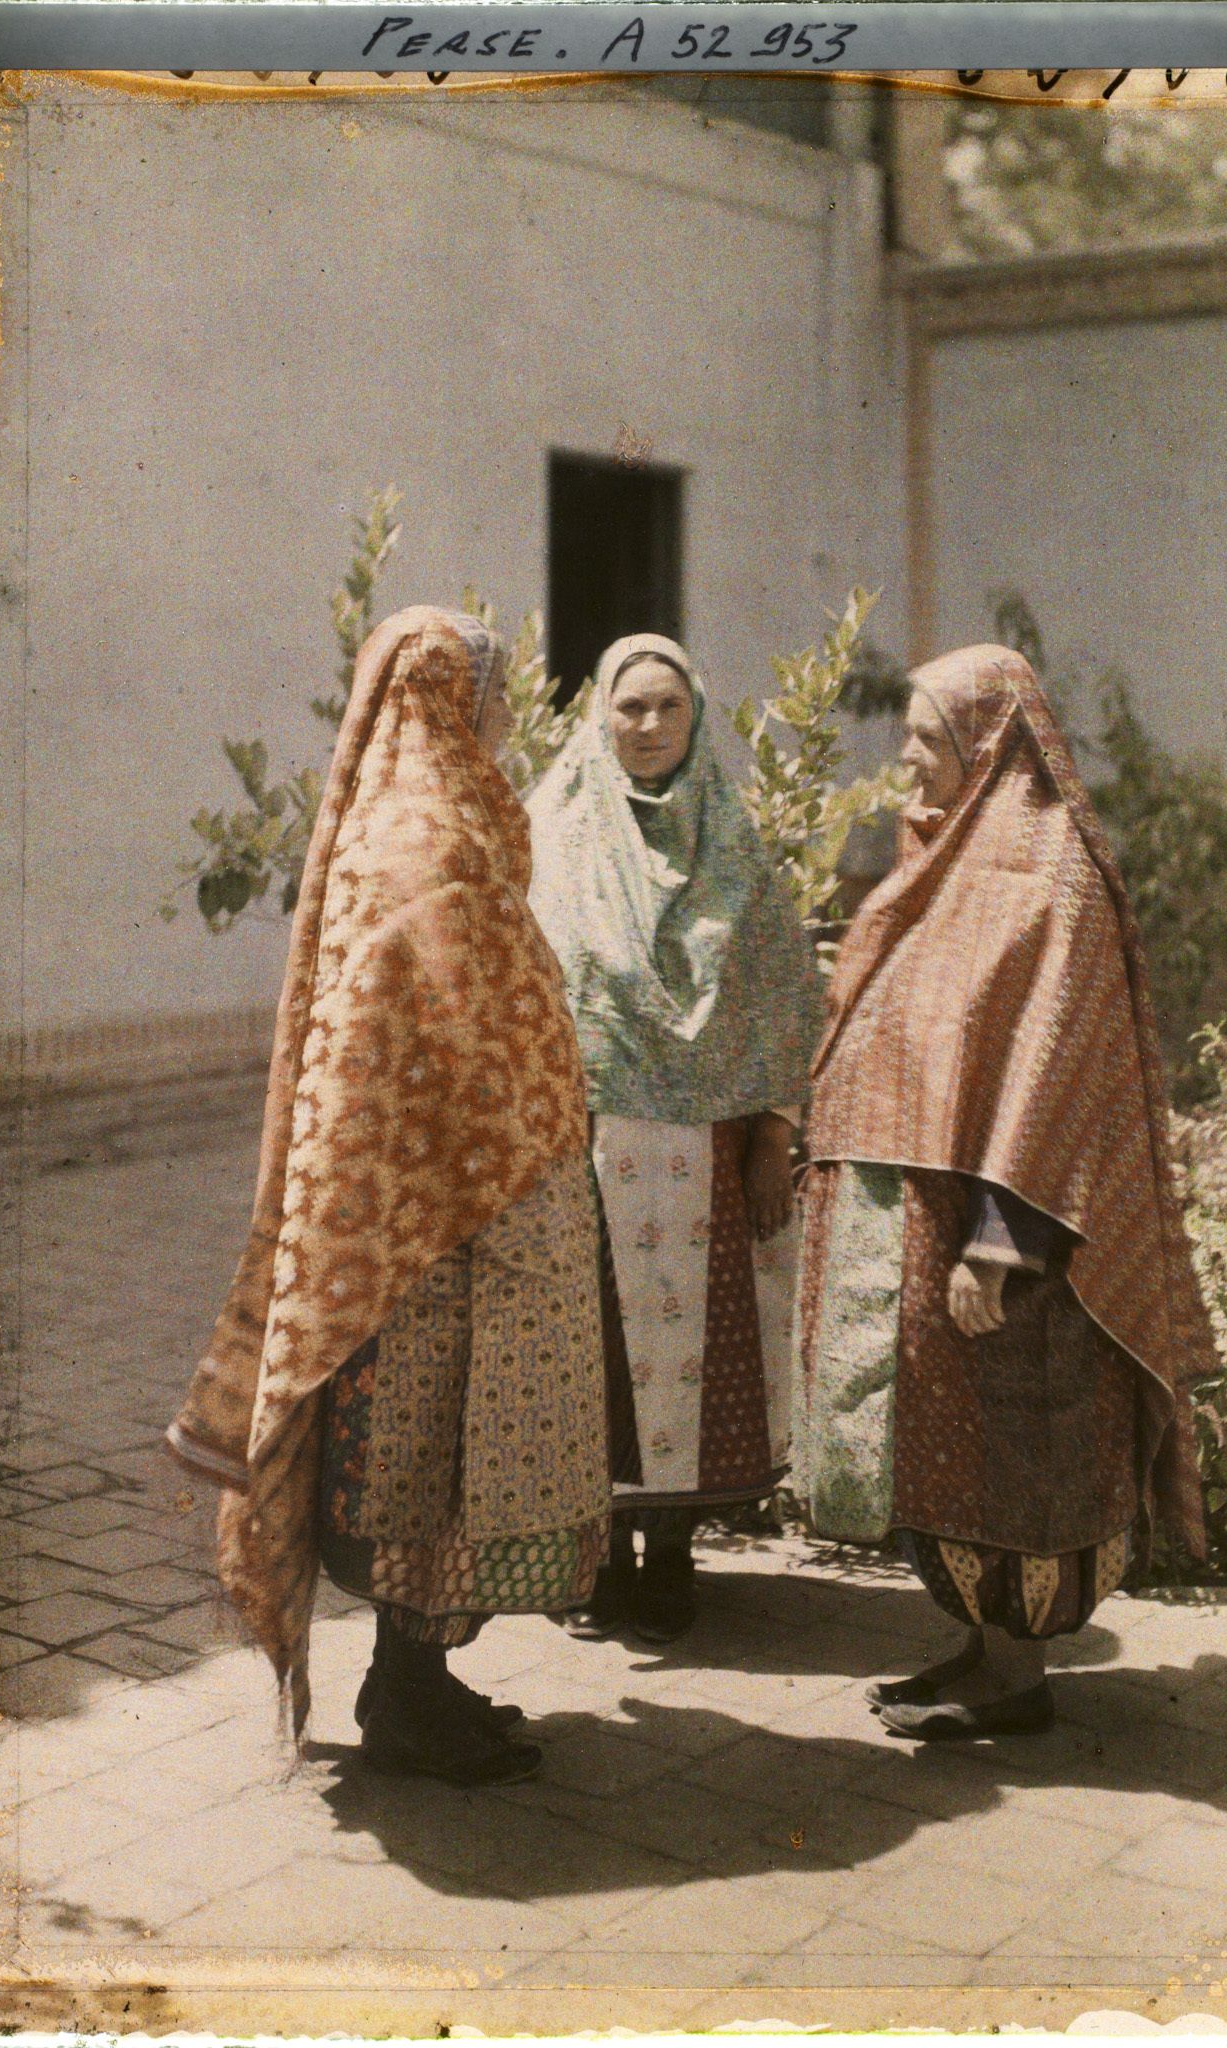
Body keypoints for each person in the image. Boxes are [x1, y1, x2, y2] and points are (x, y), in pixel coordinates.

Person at [167, 606, 611, 1786]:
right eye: (495, 694)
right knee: (431, 1466)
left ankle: (415, 1680)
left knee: (422, 1467)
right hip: (443, 1223)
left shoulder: (400, 827)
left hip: (410, 1215)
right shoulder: (430, 843)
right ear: (449, 701)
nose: (509, 717)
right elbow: (468, 1044)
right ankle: (406, 1696)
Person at [796, 643, 1216, 1739]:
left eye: (926, 745)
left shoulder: (1050, 879)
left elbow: (1054, 1078)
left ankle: (1015, 1677)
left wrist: (995, 1242)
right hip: (937, 1229)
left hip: (1015, 1248)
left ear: (987, 747)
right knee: (953, 1463)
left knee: (1014, 1452)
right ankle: (983, 1648)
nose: (907, 770)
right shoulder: (941, 867)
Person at [526, 634, 825, 1643]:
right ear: (600, 715)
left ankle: (672, 1556)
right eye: (629, 708)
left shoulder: (730, 842)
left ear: (695, 717)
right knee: (601, 1347)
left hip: (702, 1151)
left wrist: (770, 1136)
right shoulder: (556, 834)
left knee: (693, 1355)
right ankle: (602, 1551)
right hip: (589, 1143)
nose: (647, 726)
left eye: (666, 707)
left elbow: (783, 990)